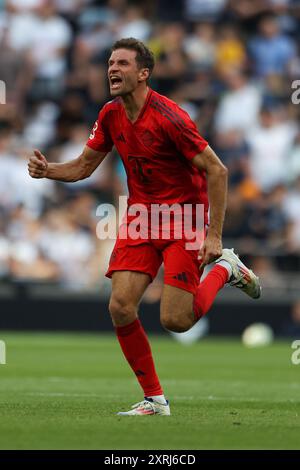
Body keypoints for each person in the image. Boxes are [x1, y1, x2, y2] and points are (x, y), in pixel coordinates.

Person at [28, 38, 261, 416]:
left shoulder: (170, 117)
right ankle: (155, 399)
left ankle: (225, 269)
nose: (112, 69)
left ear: (143, 73)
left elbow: (217, 170)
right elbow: (84, 166)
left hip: (184, 219)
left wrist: (214, 236)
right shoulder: (110, 114)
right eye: (109, 63)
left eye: (121, 63)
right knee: (120, 306)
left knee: (176, 320)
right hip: (140, 218)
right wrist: (48, 170)